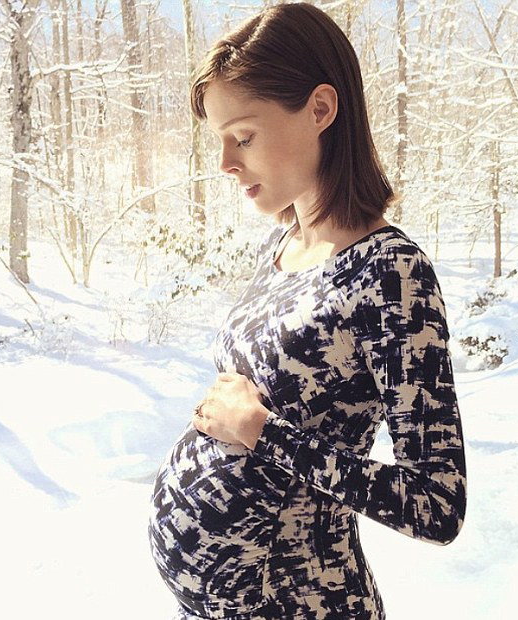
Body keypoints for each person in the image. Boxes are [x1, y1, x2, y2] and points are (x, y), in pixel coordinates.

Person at [148, 3, 467, 619]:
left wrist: (263, 433)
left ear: (320, 109)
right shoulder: (283, 244)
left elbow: (436, 504)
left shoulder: (389, 272)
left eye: (243, 136)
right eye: (219, 141)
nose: (225, 163)